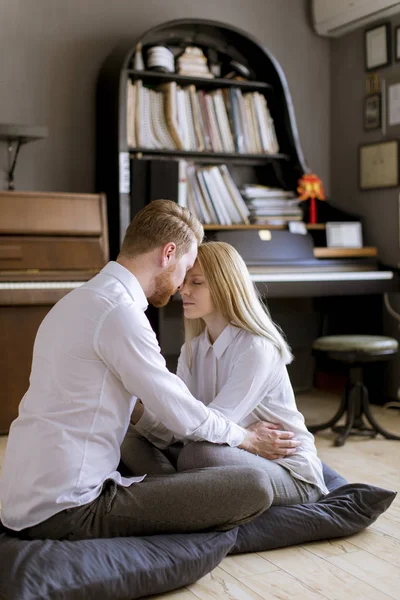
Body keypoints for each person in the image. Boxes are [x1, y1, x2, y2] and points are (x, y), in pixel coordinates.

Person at [0, 200, 300, 541]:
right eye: (186, 269)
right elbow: (183, 415)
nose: (182, 285)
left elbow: (165, 413)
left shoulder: (77, 300)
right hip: (71, 508)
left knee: (155, 439)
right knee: (253, 484)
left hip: (20, 502)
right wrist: (246, 437)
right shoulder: (120, 315)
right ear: (168, 253)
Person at [122, 241, 329, 508]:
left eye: (196, 282)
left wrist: (236, 436)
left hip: (288, 472)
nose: (183, 290)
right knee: (129, 434)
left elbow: (204, 427)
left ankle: (172, 493)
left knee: (198, 455)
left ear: (224, 286)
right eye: (184, 281)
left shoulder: (256, 348)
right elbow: (180, 424)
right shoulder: (192, 349)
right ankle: (178, 495)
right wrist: (136, 412)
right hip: (231, 451)